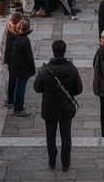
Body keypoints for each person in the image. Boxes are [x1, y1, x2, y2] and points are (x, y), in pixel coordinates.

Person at [33, 39, 82, 172]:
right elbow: (79, 89)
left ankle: (52, 159)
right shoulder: (71, 69)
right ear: (64, 51)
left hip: (49, 108)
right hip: (66, 108)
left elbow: (37, 88)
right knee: (66, 135)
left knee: (50, 135)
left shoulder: (45, 70)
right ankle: (65, 162)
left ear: (53, 51)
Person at [3, 13, 36, 117]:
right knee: (21, 87)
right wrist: (32, 69)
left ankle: (11, 101)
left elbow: (7, 48)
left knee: (13, 83)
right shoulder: (24, 41)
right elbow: (29, 57)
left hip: (12, 63)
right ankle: (18, 108)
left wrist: (7, 60)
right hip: (22, 67)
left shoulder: (12, 35)